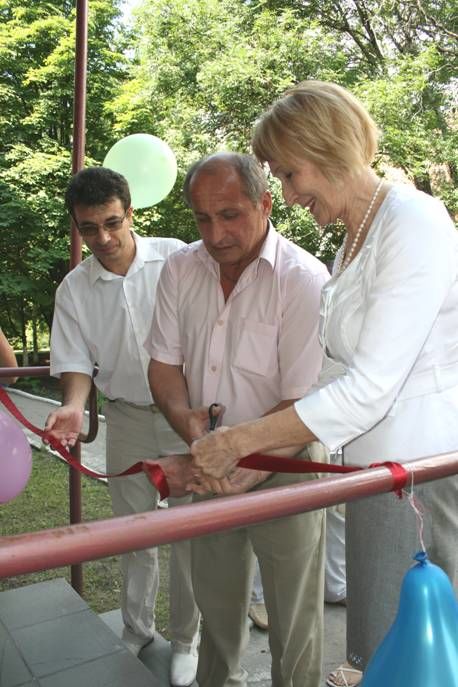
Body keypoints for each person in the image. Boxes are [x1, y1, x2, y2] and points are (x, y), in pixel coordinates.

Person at [189, 82, 458, 687]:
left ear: (327, 148)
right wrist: (260, 463)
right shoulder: (356, 239)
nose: (286, 194)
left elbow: (370, 389)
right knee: (380, 652)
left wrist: (237, 442)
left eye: (290, 174)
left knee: (415, 660)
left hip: (420, 477)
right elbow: (334, 372)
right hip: (377, 478)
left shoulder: (413, 221)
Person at [145, 152, 330, 687]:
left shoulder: (303, 278)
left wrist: (240, 456)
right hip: (209, 464)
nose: (215, 234)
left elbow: (303, 399)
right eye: (203, 218)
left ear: (265, 204)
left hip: (289, 463)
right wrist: (187, 422)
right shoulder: (180, 268)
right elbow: (163, 365)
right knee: (217, 607)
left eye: (229, 215)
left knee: (294, 619)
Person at [45, 167, 200, 687]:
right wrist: (73, 405)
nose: (103, 238)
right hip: (128, 416)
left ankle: (187, 640)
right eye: (89, 228)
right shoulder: (74, 288)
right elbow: (74, 362)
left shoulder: (178, 257)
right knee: (133, 532)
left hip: (186, 416)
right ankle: (137, 629)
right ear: (77, 226)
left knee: (189, 533)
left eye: (112, 223)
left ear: (131, 213)